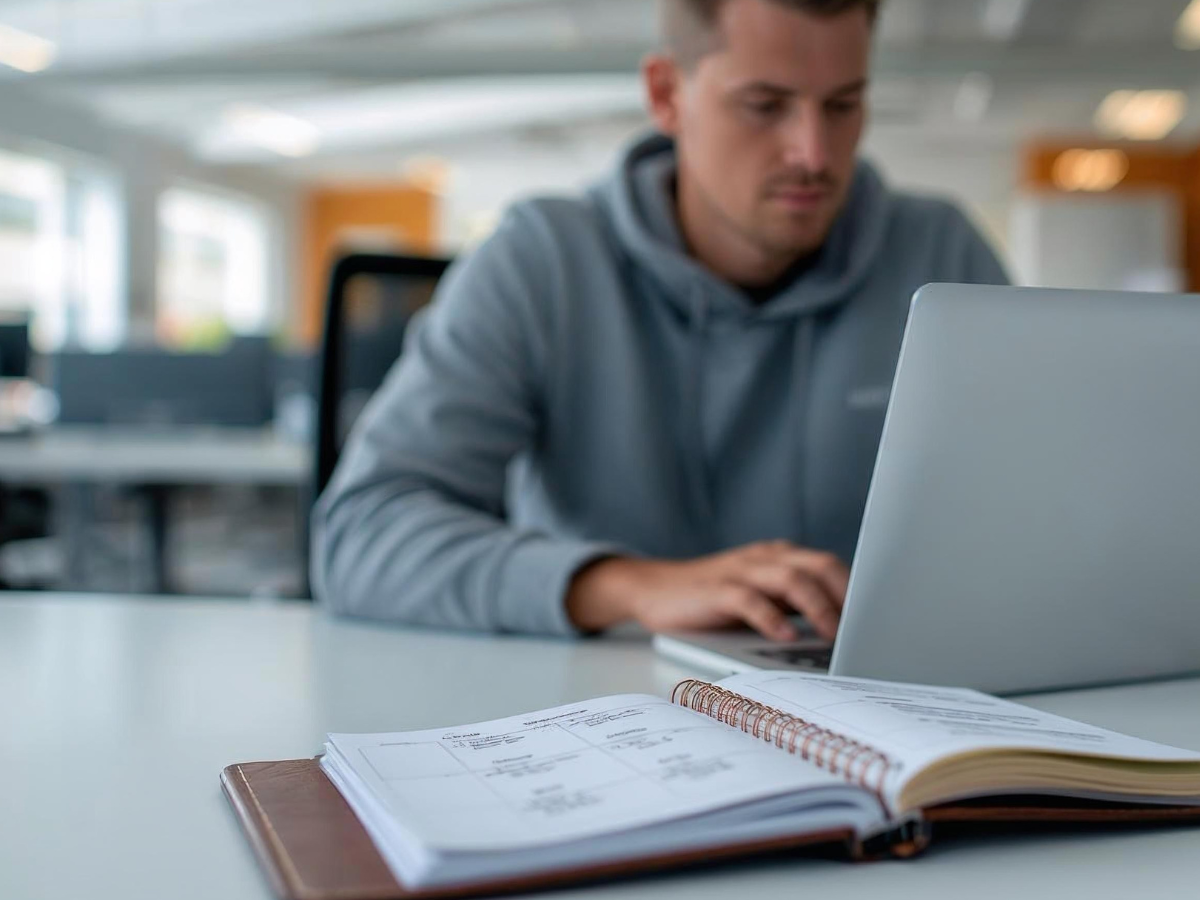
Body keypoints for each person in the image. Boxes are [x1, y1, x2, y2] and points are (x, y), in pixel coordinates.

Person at [311, 0, 1008, 641]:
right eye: (765, 105)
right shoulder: (542, 260)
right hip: (599, 710)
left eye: (843, 105)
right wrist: (627, 586)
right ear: (667, 95)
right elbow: (360, 535)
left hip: (871, 708)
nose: (815, 155)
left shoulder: (939, 254)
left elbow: (1043, 520)